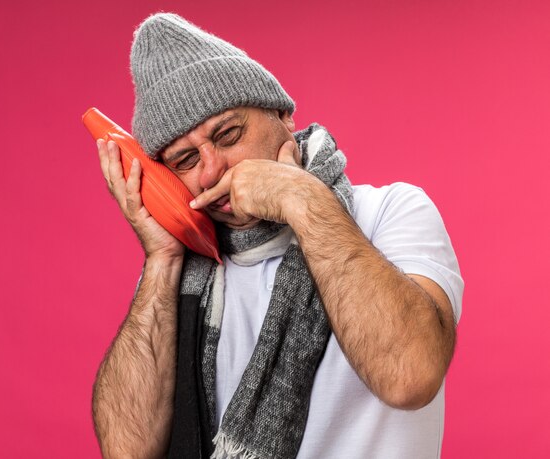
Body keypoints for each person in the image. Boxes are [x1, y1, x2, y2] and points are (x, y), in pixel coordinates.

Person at [91, 12, 463, 459]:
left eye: (228, 134)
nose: (212, 170)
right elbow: (126, 450)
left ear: (283, 116)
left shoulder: (390, 212)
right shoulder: (177, 272)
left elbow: (410, 376)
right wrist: (161, 260)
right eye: (186, 160)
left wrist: (301, 199)